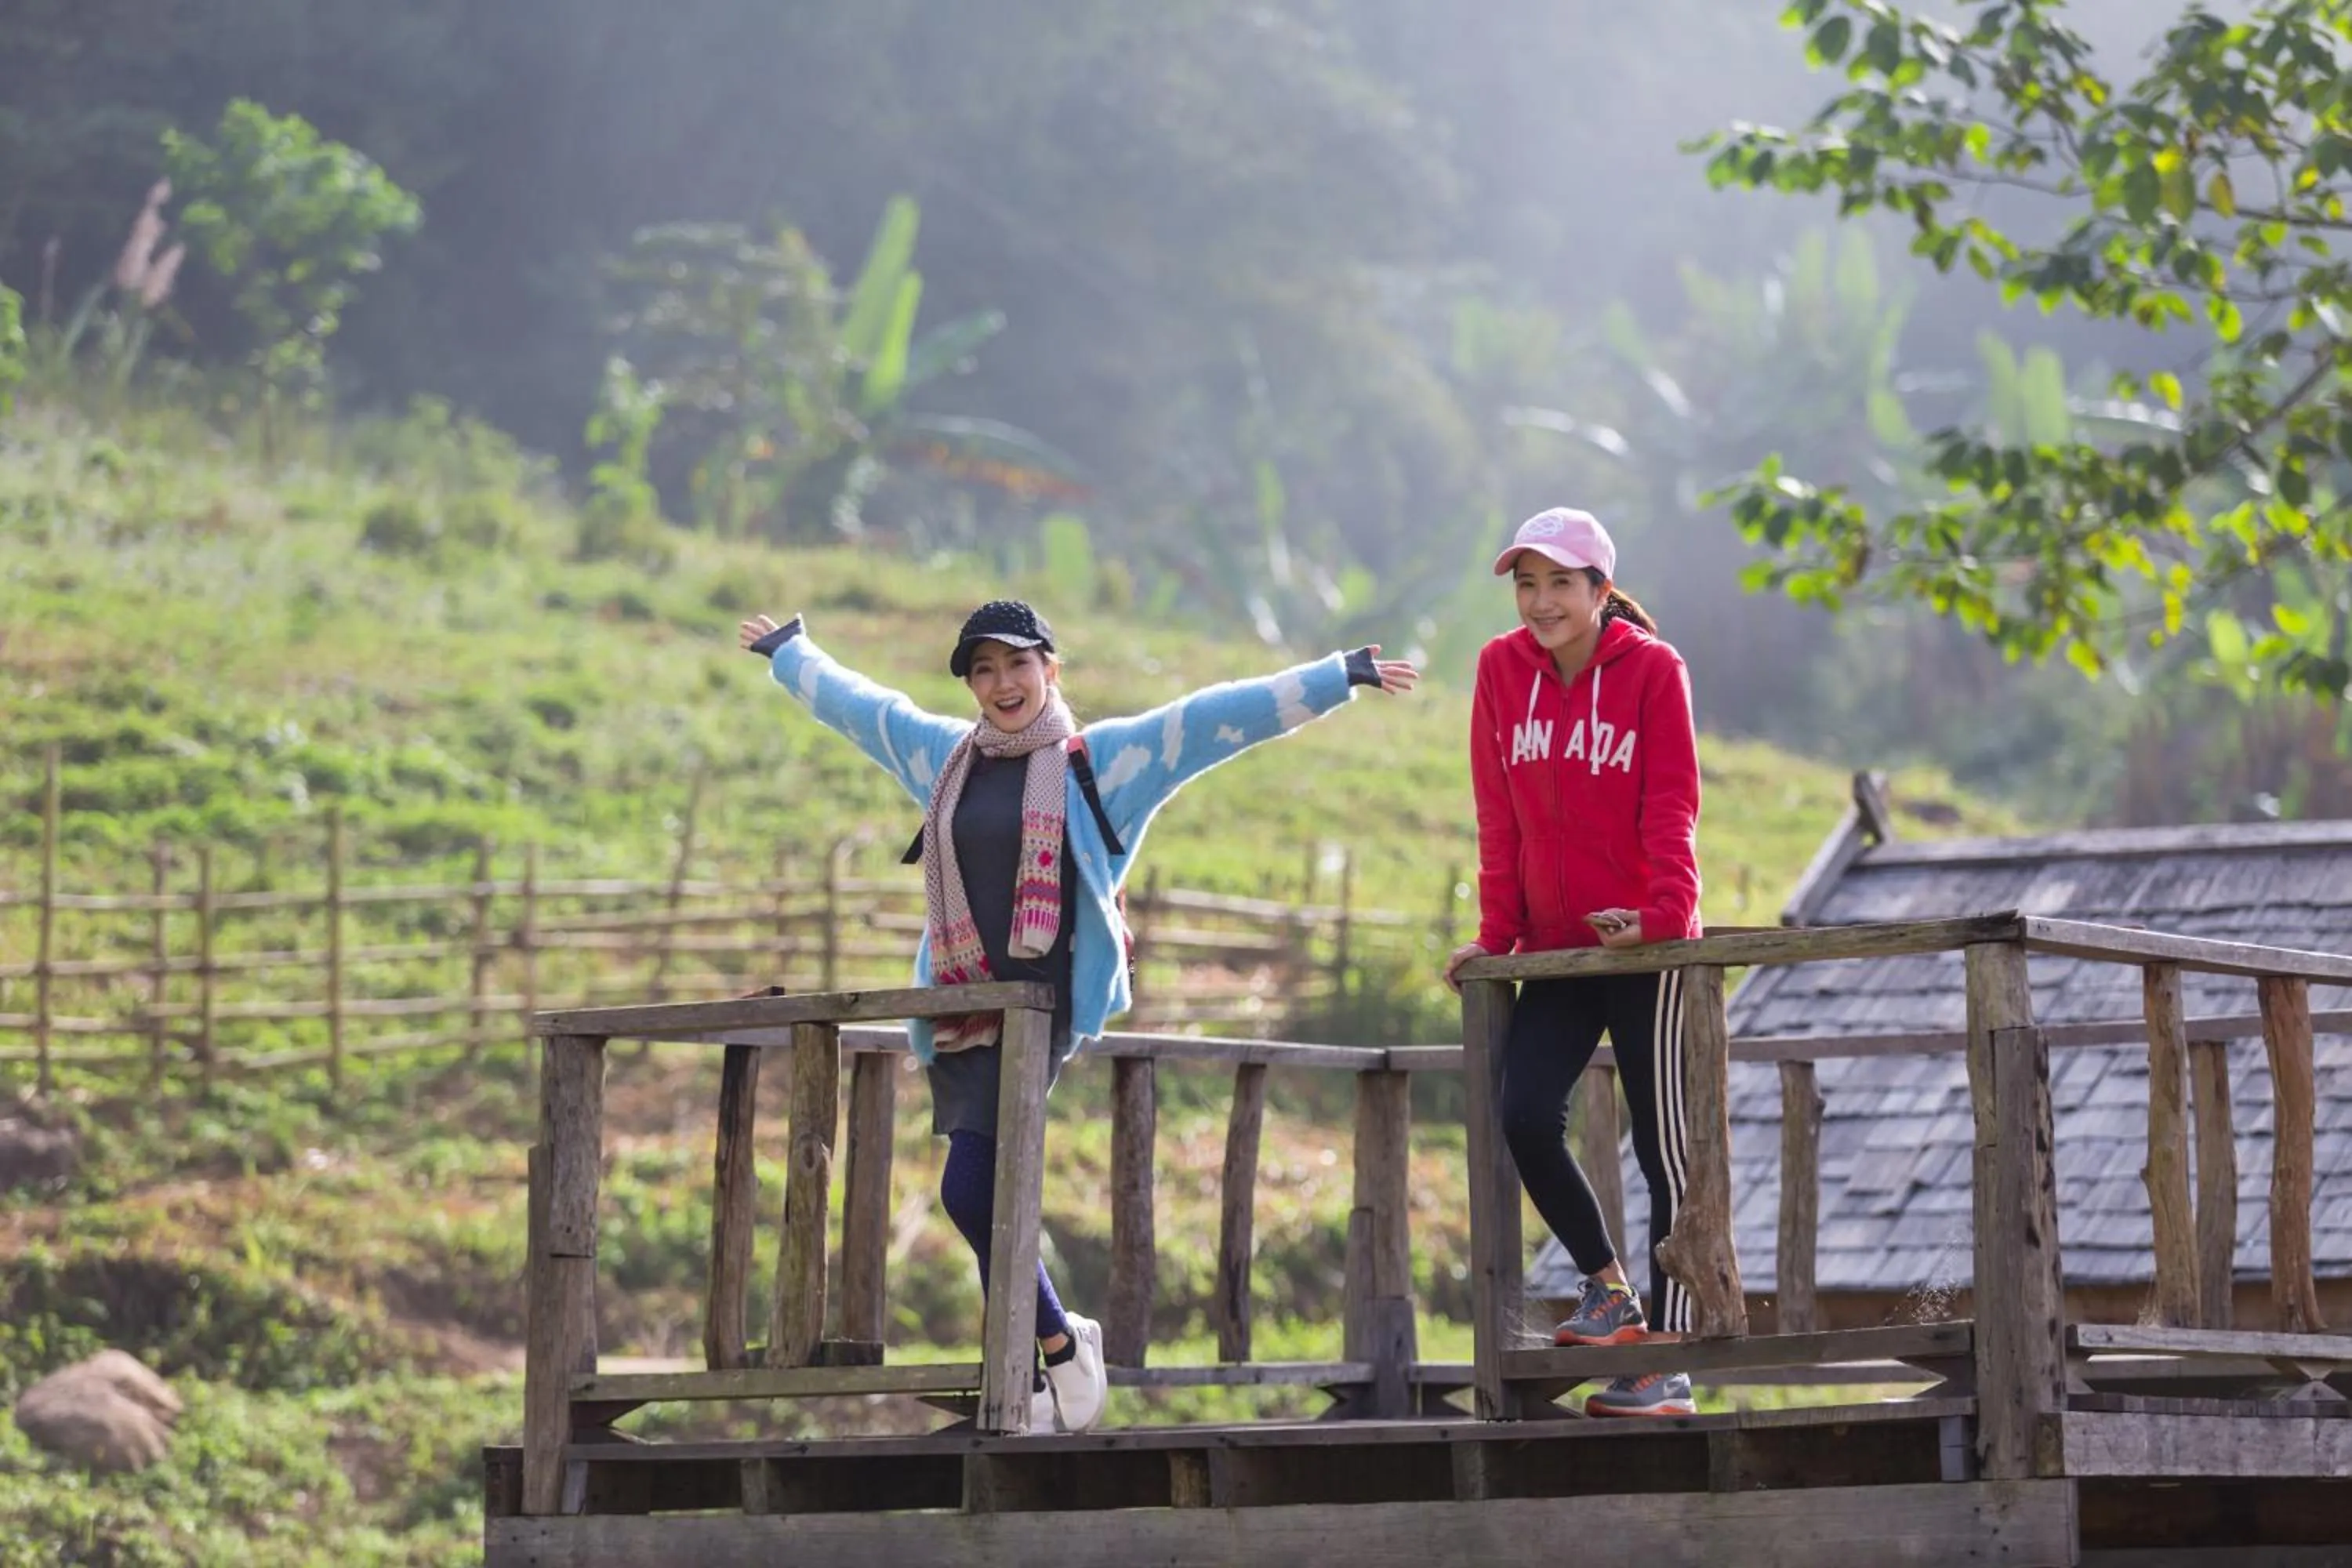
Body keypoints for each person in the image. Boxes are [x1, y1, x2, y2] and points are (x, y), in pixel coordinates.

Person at [740, 598, 1418, 1432]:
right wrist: (791, 652)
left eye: (1017, 664)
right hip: (959, 1010)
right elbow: (865, 709)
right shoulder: (947, 758)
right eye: (983, 669)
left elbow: (1207, 719)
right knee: (988, 1185)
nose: (1001, 683)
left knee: (968, 1184)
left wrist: (1332, 675)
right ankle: (1027, 1371)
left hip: (1039, 1007)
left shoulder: (1097, 763)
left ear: (1050, 668)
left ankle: (1058, 1341)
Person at [1443, 507, 1702, 1419]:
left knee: (1668, 1153)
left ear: (1600, 590)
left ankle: (1662, 1366)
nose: (1541, 601)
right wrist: (1496, 934)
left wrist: (1666, 915)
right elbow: (1498, 814)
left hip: (1647, 946)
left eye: (1560, 583)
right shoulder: (1498, 669)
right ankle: (1610, 1292)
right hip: (1556, 949)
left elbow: (1673, 800)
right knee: (1523, 1112)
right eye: (1527, 583)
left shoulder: (1653, 671)